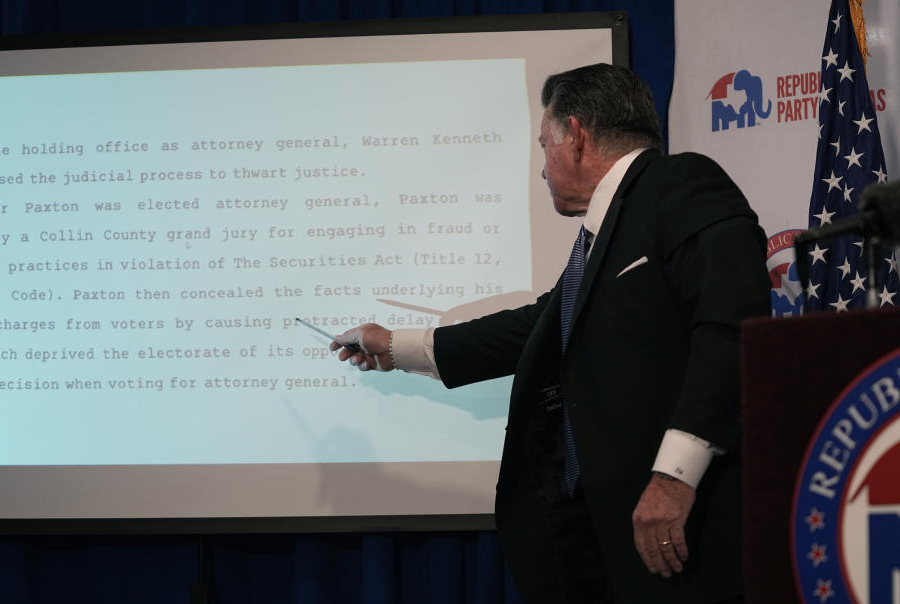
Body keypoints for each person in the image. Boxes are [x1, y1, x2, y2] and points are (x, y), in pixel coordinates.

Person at [330, 63, 770, 603]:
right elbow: (538, 325)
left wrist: (674, 477)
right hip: (610, 535)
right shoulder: (602, 234)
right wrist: (395, 347)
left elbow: (731, 331)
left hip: (683, 527)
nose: (542, 168)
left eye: (544, 145)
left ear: (577, 135)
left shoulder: (680, 184)